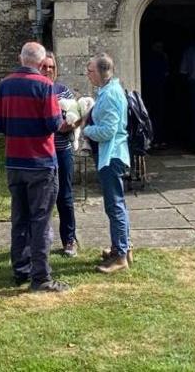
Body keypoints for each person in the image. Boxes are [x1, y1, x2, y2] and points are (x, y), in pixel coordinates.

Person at [0, 42, 68, 293]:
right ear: (41, 60)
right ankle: (41, 278)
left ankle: (20, 270)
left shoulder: (5, 85)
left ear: (20, 58)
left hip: (14, 160)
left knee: (19, 218)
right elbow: (53, 124)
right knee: (40, 220)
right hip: (41, 162)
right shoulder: (45, 86)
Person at [82, 53, 132, 274]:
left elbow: (109, 131)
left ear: (103, 72)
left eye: (90, 70)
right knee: (116, 205)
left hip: (112, 156)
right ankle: (122, 248)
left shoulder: (111, 94)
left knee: (114, 205)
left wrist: (86, 130)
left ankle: (120, 256)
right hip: (109, 155)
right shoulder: (108, 90)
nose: (88, 74)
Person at [39, 53, 79, 257]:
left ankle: (69, 240)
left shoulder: (63, 91)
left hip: (63, 151)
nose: (48, 70)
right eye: (44, 66)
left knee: (65, 197)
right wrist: (55, 126)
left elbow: (77, 115)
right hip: (41, 152)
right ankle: (40, 242)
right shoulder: (35, 91)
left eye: (51, 67)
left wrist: (72, 124)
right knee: (41, 199)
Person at [141, 40, 170, 148]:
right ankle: (156, 139)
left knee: (153, 115)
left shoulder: (149, 58)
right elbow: (166, 73)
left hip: (152, 89)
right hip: (156, 89)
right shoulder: (162, 57)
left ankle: (154, 139)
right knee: (156, 115)